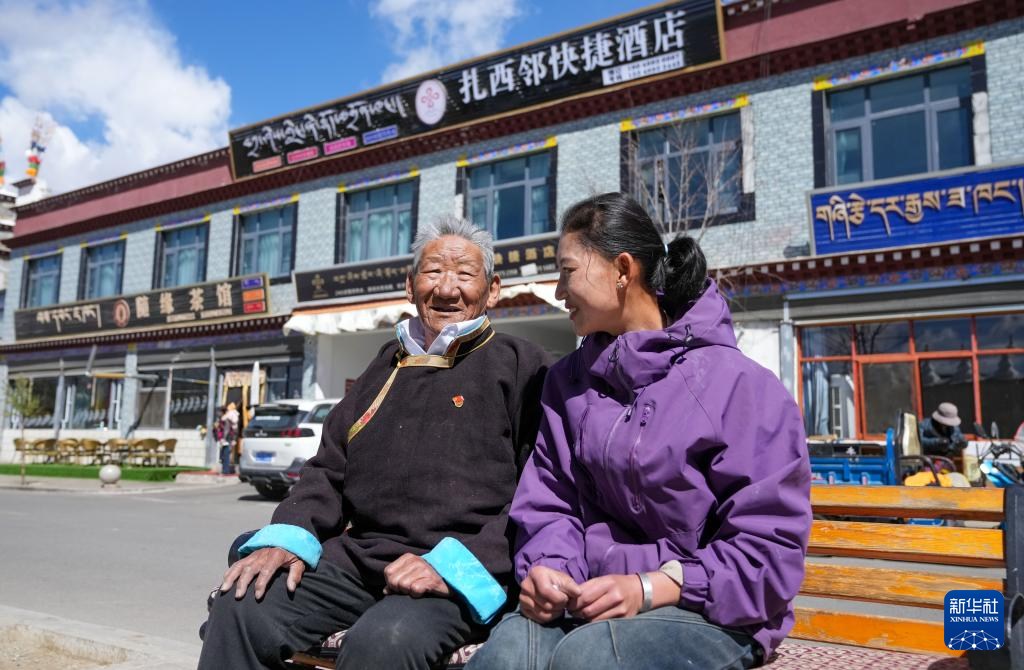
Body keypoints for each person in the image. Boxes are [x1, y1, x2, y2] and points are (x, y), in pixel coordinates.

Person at [467, 193, 811, 670]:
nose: (559, 292)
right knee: (508, 656)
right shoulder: (569, 383)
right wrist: (551, 570)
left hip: (715, 606)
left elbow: (767, 550)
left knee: (586, 659)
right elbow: (551, 501)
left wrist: (652, 586)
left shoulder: (739, 386)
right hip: (591, 594)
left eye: (567, 272)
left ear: (623, 270)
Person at [198, 216, 551, 670]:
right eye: (433, 272)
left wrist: (452, 567)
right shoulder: (386, 365)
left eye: (465, 274)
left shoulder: (521, 365)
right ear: (409, 286)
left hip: (452, 573)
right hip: (359, 563)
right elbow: (328, 470)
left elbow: (541, 491)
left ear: (493, 289)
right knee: (243, 604)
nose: (447, 289)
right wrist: (290, 537)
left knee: (383, 641)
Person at [215, 403, 239, 475]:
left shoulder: (226, 419)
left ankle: (226, 471)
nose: (218, 413)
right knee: (223, 455)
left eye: (219, 412)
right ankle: (225, 470)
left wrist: (223, 439)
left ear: (223, 412)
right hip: (226, 439)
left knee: (225, 455)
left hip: (227, 439)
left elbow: (227, 430)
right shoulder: (223, 419)